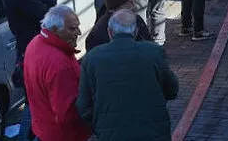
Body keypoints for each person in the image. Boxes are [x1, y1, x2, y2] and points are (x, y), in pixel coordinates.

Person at [77, 10, 179, 141]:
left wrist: (100, 125)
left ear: (110, 32)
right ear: (136, 31)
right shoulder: (154, 52)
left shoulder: (92, 58)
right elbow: (172, 90)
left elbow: (83, 105)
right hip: (153, 131)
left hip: (110, 134)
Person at [3, 0, 58, 140]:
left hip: (31, 46)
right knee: (35, 102)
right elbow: (44, 11)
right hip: (30, 49)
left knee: (36, 100)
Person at [23, 5, 91, 141]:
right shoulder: (61, 65)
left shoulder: (35, 43)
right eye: (72, 28)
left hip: (43, 128)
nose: (79, 32)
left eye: (77, 26)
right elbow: (68, 115)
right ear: (55, 30)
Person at [84, 0, 153, 51]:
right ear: (119, 4)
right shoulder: (98, 34)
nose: (134, 6)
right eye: (131, 2)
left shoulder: (95, 33)